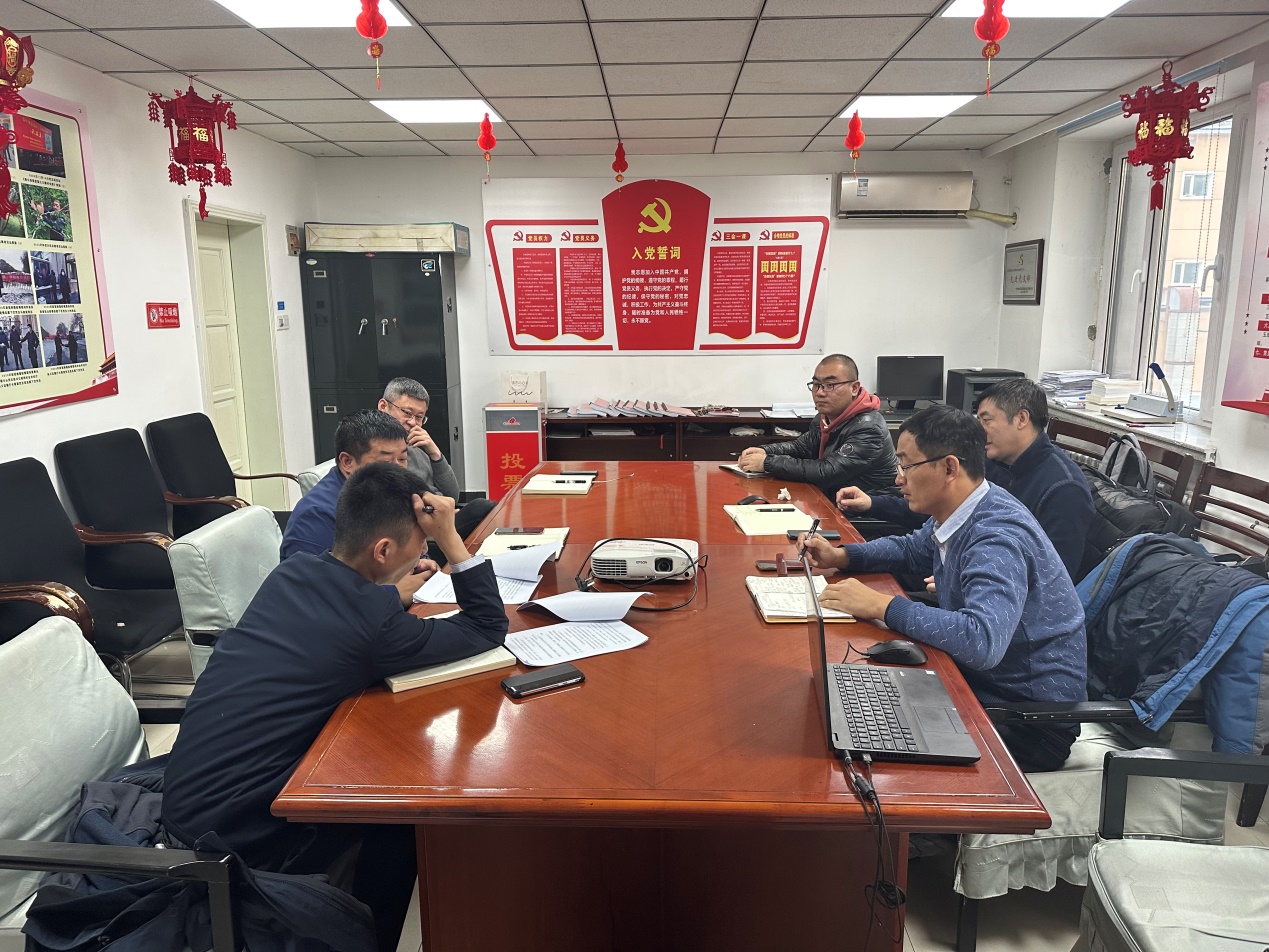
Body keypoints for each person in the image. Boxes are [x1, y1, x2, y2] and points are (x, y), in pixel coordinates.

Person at [163, 462, 508, 950]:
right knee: (400, 819)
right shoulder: (374, 622)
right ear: (383, 550)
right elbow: (486, 627)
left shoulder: (294, 572)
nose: (423, 553)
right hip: (234, 837)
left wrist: (387, 592)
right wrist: (452, 540)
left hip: (191, 799)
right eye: (421, 545)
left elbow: (342, 617)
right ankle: (368, 936)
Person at [803, 405, 1086, 772]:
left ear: (950, 467)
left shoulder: (996, 535)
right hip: (980, 685)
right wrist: (842, 556)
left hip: (1026, 719)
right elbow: (911, 549)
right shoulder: (966, 508)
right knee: (847, 708)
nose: (898, 478)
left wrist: (882, 606)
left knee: (857, 751)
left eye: (906, 465)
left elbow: (981, 642)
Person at [836, 378, 1094, 580]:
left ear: (1021, 419)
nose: (979, 430)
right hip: (956, 573)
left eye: (986, 420)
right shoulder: (995, 463)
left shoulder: (1064, 488)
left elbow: (1052, 578)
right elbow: (936, 509)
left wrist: (960, 579)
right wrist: (873, 504)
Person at [736, 354, 899, 500]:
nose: (820, 392)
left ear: (854, 388)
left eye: (830, 385)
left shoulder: (868, 428)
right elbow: (801, 447)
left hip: (865, 512)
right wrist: (764, 451)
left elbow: (828, 472)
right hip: (830, 499)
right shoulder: (825, 417)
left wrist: (767, 462)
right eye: (816, 384)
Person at [281, 409, 415, 571]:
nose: (398, 470)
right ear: (347, 462)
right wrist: (397, 585)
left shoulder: (386, 492)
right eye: (386, 461)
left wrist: (419, 563)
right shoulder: (316, 517)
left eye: (402, 459)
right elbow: (314, 584)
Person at [377, 377, 497, 541]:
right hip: (418, 530)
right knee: (481, 508)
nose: (413, 423)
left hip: (442, 517)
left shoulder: (417, 446)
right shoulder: (376, 451)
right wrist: (434, 510)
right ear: (383, 406)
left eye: (419, 417)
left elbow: (452, 495)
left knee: (490, 511)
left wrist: (435, 453)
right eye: (407, 413)